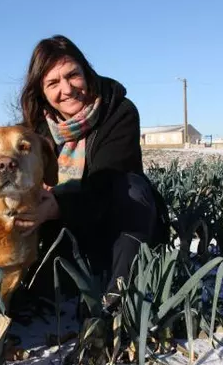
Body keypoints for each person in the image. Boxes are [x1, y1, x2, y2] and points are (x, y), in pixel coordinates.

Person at [14, 35, 170, 315]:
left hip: (114, 227)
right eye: (53, 83)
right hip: (67, 234)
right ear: (41, 91)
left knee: (132, 186)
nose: (67, 89)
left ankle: (119, 296)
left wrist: (56, 205)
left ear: (86, 71)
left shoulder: (118, 112)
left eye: (73, 75)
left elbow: (105, 184)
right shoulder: (32, 133)